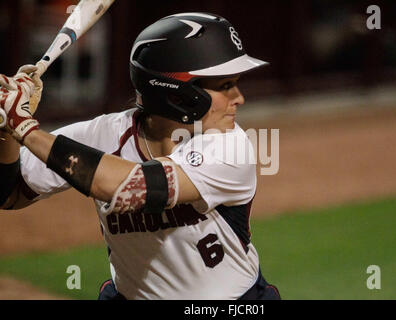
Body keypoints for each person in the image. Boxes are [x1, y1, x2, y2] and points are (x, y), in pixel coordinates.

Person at [0, 12, 281, 300]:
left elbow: (135, 185)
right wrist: (7, 126)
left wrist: (26, 128)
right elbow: (8, 191)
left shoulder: (230, 146)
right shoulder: (104, 135)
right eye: (224, 86)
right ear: (181, 93)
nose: (239, 98)